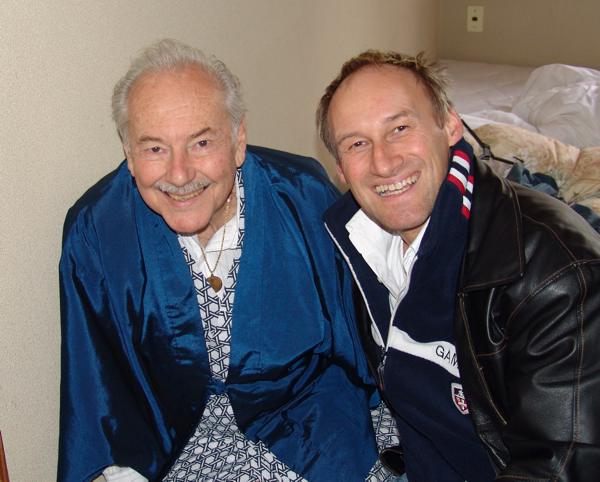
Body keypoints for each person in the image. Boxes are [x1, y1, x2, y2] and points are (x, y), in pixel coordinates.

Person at [58, 40, 400, 482]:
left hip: (311, 420)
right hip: (173, 443)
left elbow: (360, 340)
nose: (180, 174)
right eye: (154, 148)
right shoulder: (96, 232)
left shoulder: (303, 197)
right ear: (128, 151)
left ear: (238, 141)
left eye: (201, 142)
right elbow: (93, 381)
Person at [317, 50, 600, 481]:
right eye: (357, 143)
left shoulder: (558, 274)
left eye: (400, 128)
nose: (383, 162)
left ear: (451, 125)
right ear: (340, 169)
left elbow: (564, 465)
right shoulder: (352, 241)